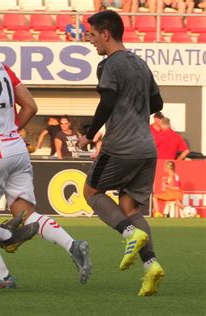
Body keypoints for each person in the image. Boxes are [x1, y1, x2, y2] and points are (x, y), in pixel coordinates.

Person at [0, 26, 92, 288]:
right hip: (18, 150)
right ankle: (72, 245)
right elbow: (31, 106)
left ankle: (4, 274)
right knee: (27, 213)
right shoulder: (3, 68)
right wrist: (10, 130)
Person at [78, 10, 164, 296]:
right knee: (130, 209)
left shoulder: (109, 65)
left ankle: (129, 233)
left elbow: (108, 101)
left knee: (91, 192)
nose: (90, 40)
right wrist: (134, 114)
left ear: (106, 33)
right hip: (147, 148)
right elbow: (157, 102)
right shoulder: (141, 64)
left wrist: (90, 135)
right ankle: (151, 266)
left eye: (92, 35)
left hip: (121, 146)